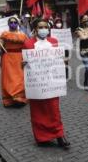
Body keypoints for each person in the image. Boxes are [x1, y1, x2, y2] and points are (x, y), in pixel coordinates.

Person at [23, 18, 70, 149]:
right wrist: (24, 64)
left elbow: (58, 58)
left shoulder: (54, 42)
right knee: (38, 111)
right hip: (37, 83)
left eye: (45, 27)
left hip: (52, 83)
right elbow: (26, 62)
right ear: (35, 29)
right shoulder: (28, 43)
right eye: (40, 27)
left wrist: (64, 60)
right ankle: (41, 136)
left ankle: (60, 135)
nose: (43, 29)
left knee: (54, 110)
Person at [0, 17, 28, 107]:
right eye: (11, 22)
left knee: (19, 78)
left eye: (15, 22)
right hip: (7, 58)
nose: (13, 24)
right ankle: (9, 99)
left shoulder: (23, 35)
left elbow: (27, 47)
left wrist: (26, 58)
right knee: (8, 79)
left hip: (19, 58)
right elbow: (0, 46)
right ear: (8, 24)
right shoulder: (4, 34)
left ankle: (19, 98)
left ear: (18, 23)